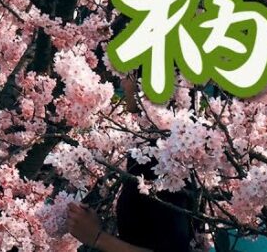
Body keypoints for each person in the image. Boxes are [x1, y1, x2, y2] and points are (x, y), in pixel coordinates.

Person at [66, 75, 196, 251]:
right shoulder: (168, 143)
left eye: (127, 74)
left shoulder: (162, 154)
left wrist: (96, 237)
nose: (123, 83)